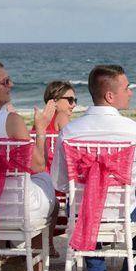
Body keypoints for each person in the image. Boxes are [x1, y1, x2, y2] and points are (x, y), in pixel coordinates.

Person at [51, 64, 136, 271]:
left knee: (88, 205)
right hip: (123, 211)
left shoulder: (70, 131)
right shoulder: (135, 130)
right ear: (110, 96)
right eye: (127, 87)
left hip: (82, 210)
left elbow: (60, 184)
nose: (130, 92)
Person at [0, 60, 56, 271]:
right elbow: (39, 165)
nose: (11, 85)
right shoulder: (11, 121)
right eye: (5, 81)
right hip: (14, 209)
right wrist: (40, 129)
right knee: (45, 180)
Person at [35, 80, 78, 258]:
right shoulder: (62, 118)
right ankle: (53, 243)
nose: (74, 104)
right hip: (57, 184)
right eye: (69, 99)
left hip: (39, 179)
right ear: (54, 100)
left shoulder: (41, 123)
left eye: (75, 99)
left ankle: (46, 242)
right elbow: (73, 149)